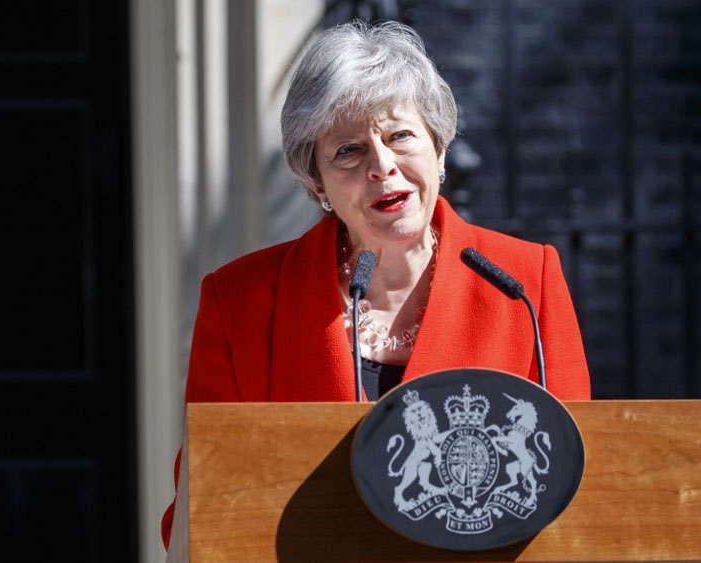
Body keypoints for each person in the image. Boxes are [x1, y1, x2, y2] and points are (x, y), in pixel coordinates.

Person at [162, 20, 591, 551]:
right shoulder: (240, 301)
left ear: (439, 148)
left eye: (400, 136)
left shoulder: (525, 283)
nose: (382, 166)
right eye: (348, 150)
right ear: (316, 183)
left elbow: (579, 488)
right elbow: (200, 504)